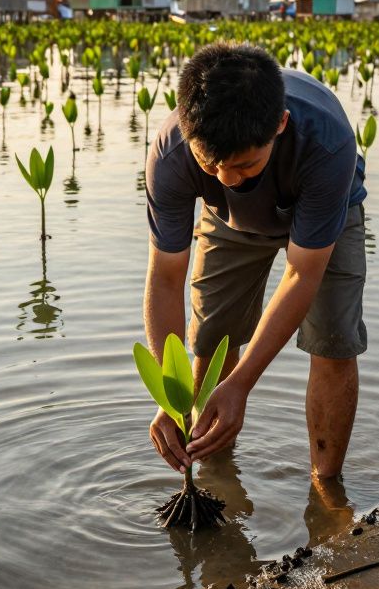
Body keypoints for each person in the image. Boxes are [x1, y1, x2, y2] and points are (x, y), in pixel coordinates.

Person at [143, 41, 367, 480]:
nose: (228, 178)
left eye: (245, 165)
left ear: (280, 125)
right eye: (212, 165)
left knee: (333, 341)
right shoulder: (171, 156)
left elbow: (303, 272)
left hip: (321, 213)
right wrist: (168, 399)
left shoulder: (326, 143)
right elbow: (166, 278)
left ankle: (326, 487)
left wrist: (243, 385)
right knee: (211, 338)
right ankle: (214, 474)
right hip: (227, 220)